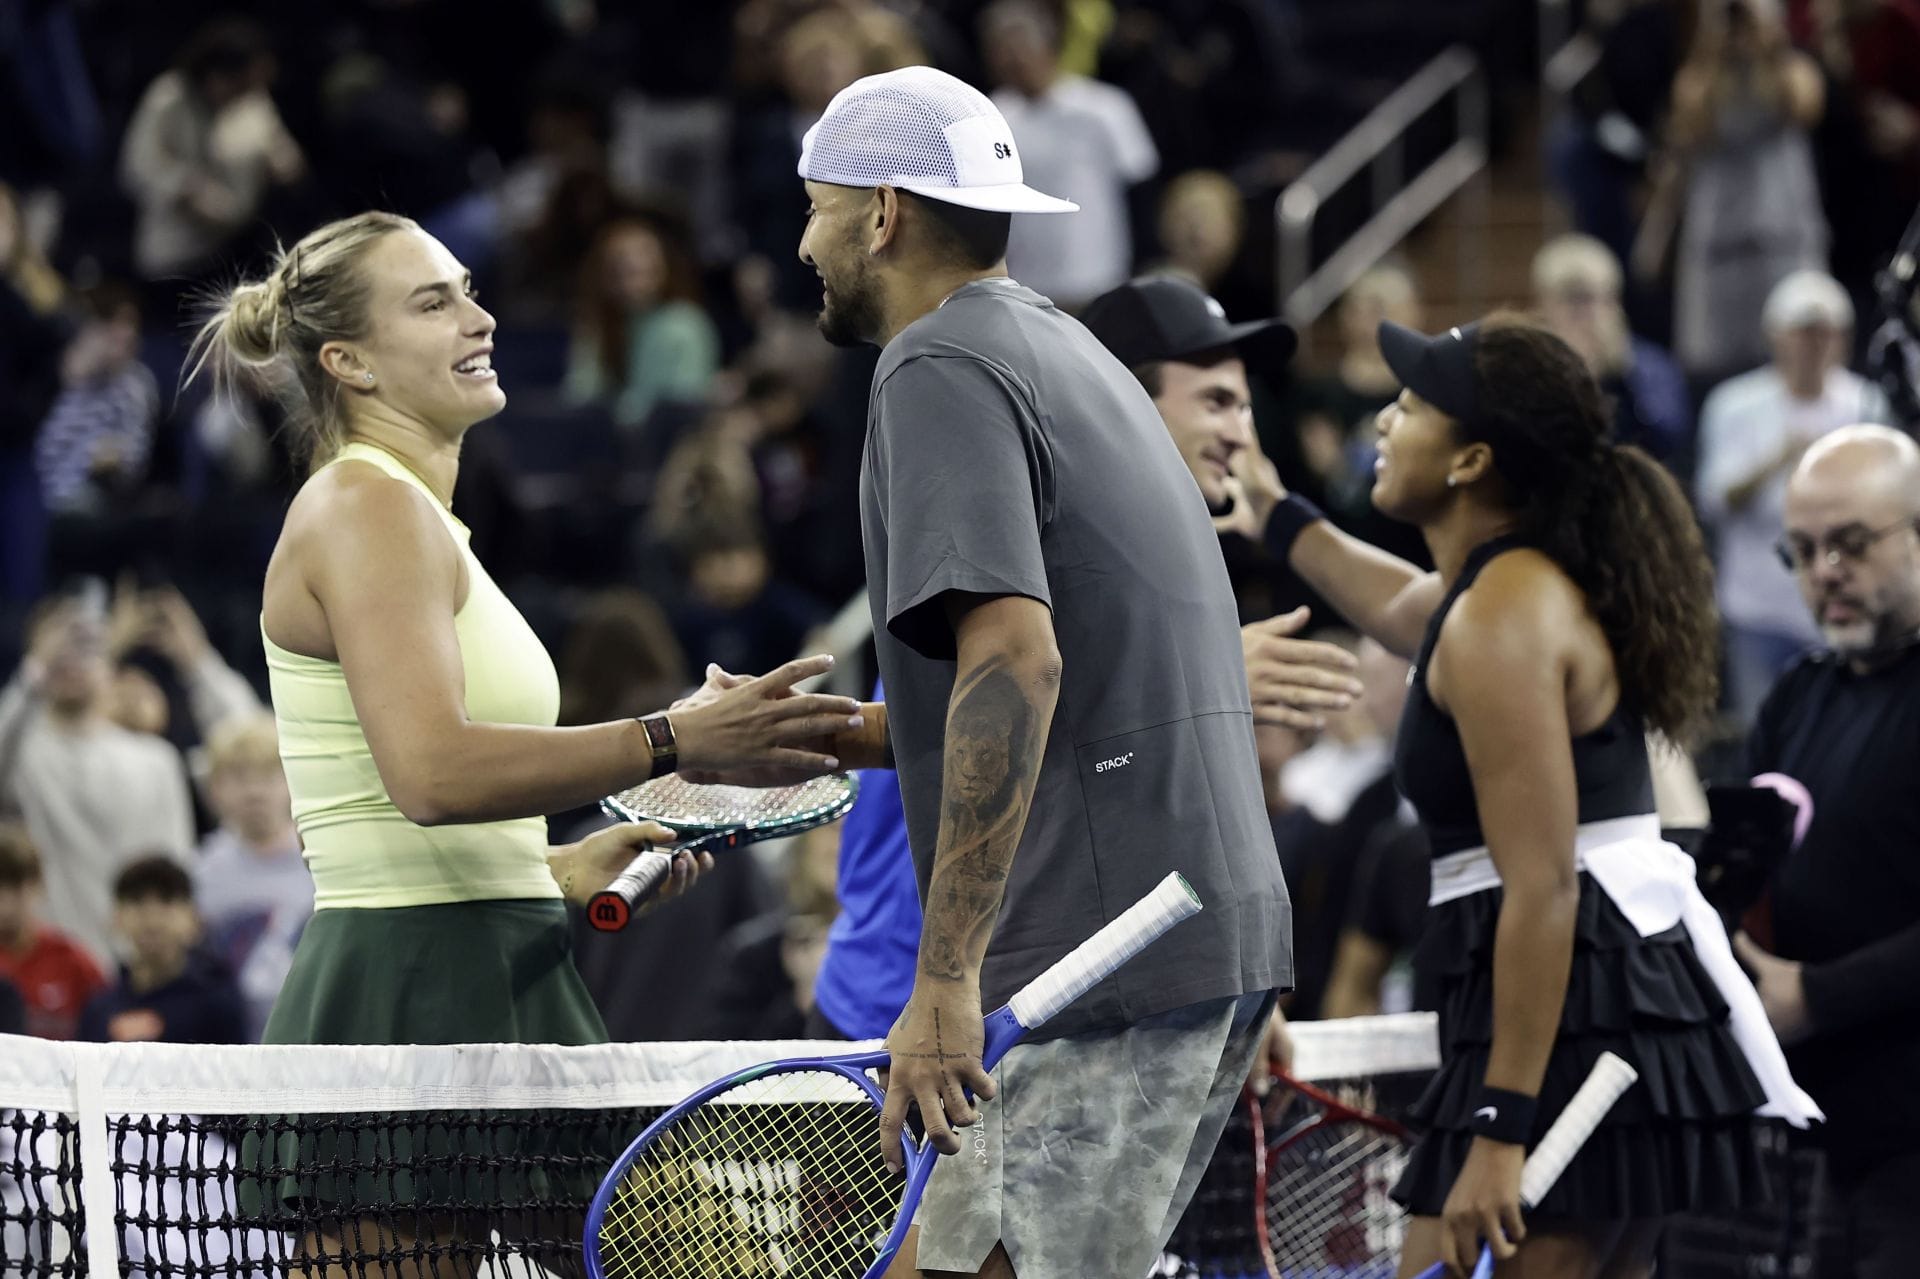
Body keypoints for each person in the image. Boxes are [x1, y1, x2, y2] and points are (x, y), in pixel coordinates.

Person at [185, 209, 864, 1267]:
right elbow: (431, 773)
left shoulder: (416, 519)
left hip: (494, 964)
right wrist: (675, 737)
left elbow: (396, 799)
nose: (481, 315)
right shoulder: (367, 510)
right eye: (434, 300)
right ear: (348, 361)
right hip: (401, 1001)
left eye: (468, 288)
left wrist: (542, 865)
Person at [793, 66, 1290, 1279]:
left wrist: (947, 975)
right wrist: (835, 735)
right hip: (1186, 928)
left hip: (1090, 950)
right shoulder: (1059, 347)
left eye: (812, 207)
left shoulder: (934, 364)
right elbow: (1071, 666)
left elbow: (1017, 655)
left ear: (882, 213)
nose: (801, 243)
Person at [1215, 312, 1821, 1276]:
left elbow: (1543, 888)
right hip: (1590, 1005)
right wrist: (1276, 506)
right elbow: (1393, 600)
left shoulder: (1504, 612)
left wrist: (1502, 1127)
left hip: (1573, 1019)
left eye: (1408, 407)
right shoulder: (1496, 591)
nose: (1382, 420)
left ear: (1472, 461)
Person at [1733, 425, 1920, 1279]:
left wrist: (1815, 994)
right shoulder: (1801, 695)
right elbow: (1742, 864)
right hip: (1813, 1133)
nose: (1824, 572)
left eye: (1850, 543)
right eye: (1802, 550)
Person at [1695, 269, 1891, 722]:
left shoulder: (1869, 403)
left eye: (1825, 334)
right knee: (1760, 734)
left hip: (1845, 605)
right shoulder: (1735, 403)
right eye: (1803, 333)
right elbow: (1713, 501)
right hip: (1757, 611)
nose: (1814, 346)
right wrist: (1778, 459)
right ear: (1776, 337)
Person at [0, 588, 196, 966]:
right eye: (59, 646)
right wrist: (34, 673)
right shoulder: (22, 757)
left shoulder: (156, 761)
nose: (71, 659)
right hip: (45, 969)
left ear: (110, 656)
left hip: (137, 970)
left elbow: (176, 868)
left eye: (86, 645)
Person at [191, 713, 309, 1041]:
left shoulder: (318, 861)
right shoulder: (201, 873)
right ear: (214, 787)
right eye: (239, 777)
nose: (254, 791)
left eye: (269, 775)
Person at [78, 855, 246, 1045]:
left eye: (166, 901)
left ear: (194, 918)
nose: (152, 919)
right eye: (137, 901)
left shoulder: (217, 1002)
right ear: (115, 918)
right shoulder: (99, 1008)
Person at [0, 821, 104, 1039]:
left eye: (15, 888)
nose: (6, 904)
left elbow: (104, 1030)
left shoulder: (73, 960)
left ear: (38, 885)